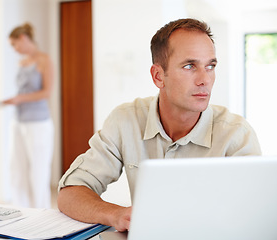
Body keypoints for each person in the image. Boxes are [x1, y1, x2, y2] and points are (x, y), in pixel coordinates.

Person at [57, 18, 261, 232]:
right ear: (158, 76)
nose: (205, 79)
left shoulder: (237, 134)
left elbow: (255, 218)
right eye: (190, 66)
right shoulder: (125, 120)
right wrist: (116, 214)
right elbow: (70, 194)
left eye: (210, 66)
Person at [0, 23, 54, 208]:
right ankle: (21, 210)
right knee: (17, 169)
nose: (14, 49)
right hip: (18, 121)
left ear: (23, 38)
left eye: (14, 44)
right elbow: (21, 93)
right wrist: (3, 103)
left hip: (38, 123)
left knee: (38, 171)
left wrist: (19, 98)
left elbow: (46, 92)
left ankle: (41, 212)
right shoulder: (21, 63)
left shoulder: (44, 60)